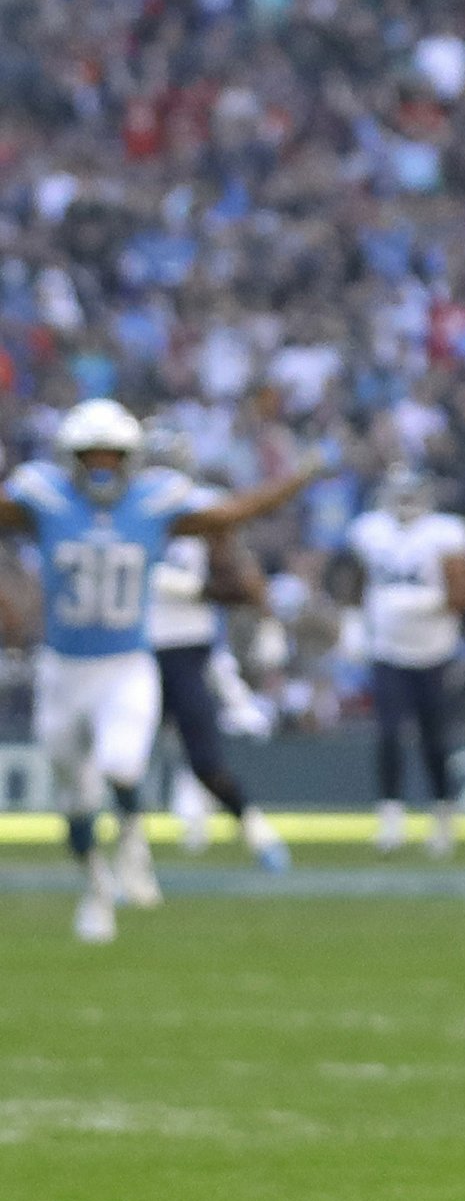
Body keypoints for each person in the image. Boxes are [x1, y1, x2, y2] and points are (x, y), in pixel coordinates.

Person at [1, 402, 315, 940]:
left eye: (112, 456)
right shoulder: (44, 498)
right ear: (69, 459)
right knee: (75, 804)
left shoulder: (154, 502)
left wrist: (299, 476)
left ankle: (129, 840)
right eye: (90, 456)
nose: (101, 467)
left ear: (132, 459)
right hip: (63, 670)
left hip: (126, 663)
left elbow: (233, 513)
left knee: (123, 768)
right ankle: (97, 886)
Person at [141, 429, 289, 873]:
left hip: (188, 647)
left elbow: (236, 585)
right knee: (123, 758)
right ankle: (131, 854)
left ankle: (256, 830)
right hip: (131, 648)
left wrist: (190, 588)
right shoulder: (122, 510)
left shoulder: (204, 508)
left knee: (204, 758)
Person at [337, 465, 465, 858]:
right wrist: (352, 624)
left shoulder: (446, 533)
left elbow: (464, 595)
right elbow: (356, 581)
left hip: (434, 651)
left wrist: (427, 602)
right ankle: (390, 820)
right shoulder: (370, 530)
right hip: (387, 650)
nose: (405, 503)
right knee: (388, 735)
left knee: (435, 739)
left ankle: (444, 819)